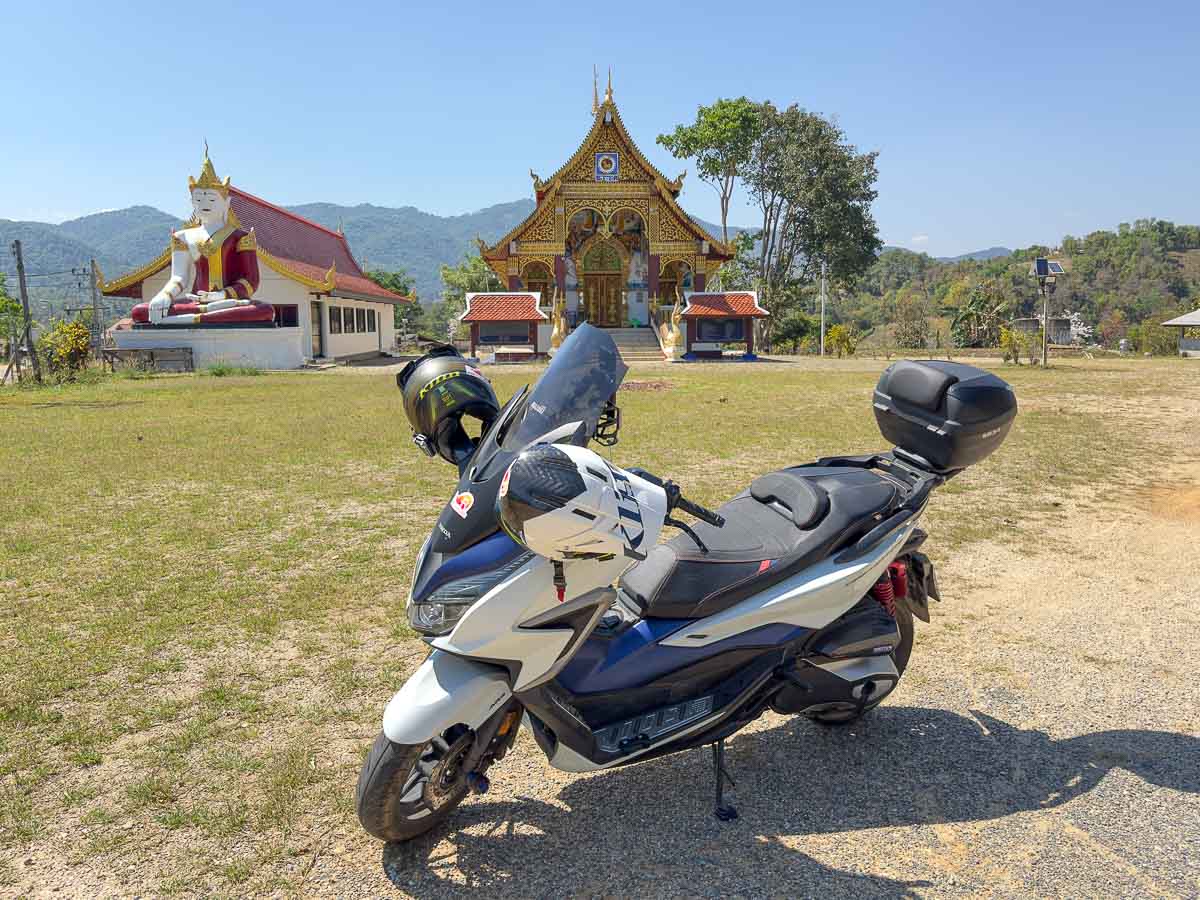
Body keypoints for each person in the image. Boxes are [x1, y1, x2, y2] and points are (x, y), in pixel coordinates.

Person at [131, 149, 273, 326]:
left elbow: (251, 281)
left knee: (264, 311)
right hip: (194, 301)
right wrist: (164, 295)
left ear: (226, 203)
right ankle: (201, 316)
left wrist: (221, 295)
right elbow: (179, 278)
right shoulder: (182, 237)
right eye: (198, 200)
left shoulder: (241, 237)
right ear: (192, 203)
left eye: (212, 200)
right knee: (140, 312)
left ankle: (192, 319)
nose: (204, 204)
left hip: (229, 302)